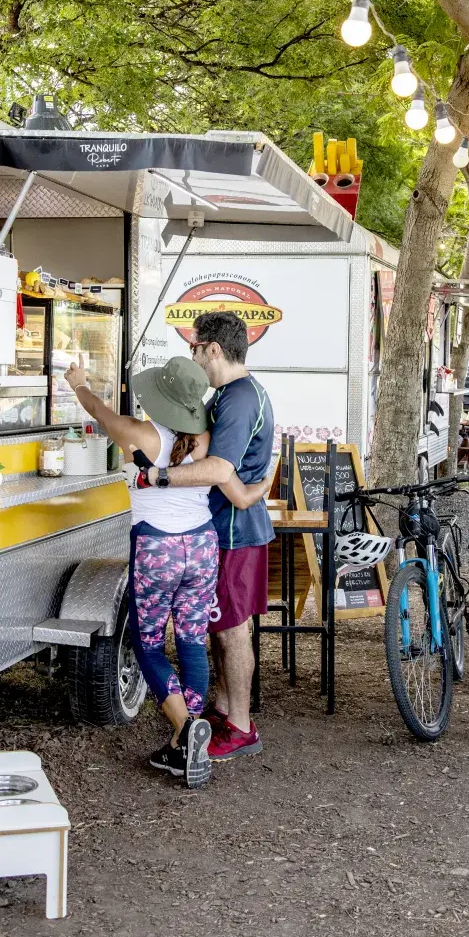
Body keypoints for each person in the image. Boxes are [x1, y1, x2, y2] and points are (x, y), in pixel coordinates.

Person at [64, 355, 267, 788]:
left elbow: (97, 411)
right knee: (192, 639)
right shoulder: (205, 437)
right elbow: (237, 491)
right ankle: (191, 729)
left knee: (149, 642)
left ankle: (182, 727)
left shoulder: (139, 433)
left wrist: (79, 384)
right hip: (202, 547)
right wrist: (261, 488)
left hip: (158, 548)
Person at [139, 311, 275, 763]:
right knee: (216, 629)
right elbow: (235, 482)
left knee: (233, 631)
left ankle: (240, 725)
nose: (193, 355)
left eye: (195, 348)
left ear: (212, 349)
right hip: (223, 529)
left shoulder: (237, 399)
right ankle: (221, 710)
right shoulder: (231, 394)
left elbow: (219, 470)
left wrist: (158, 478)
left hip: (234, 536)